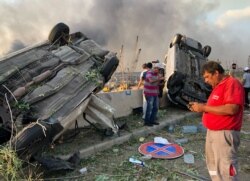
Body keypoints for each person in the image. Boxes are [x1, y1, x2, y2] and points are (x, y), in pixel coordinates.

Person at [188, 61, 244, 181]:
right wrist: (200, 106)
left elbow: (232, 108)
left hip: (224, 134)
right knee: (213, 166)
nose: (206, 81)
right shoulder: (218, 86)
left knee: (226, 169)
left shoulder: (231, 83)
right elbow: (216, 107)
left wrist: (203, 108)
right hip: (213, 133)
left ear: (216, 73)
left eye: (207, 77)